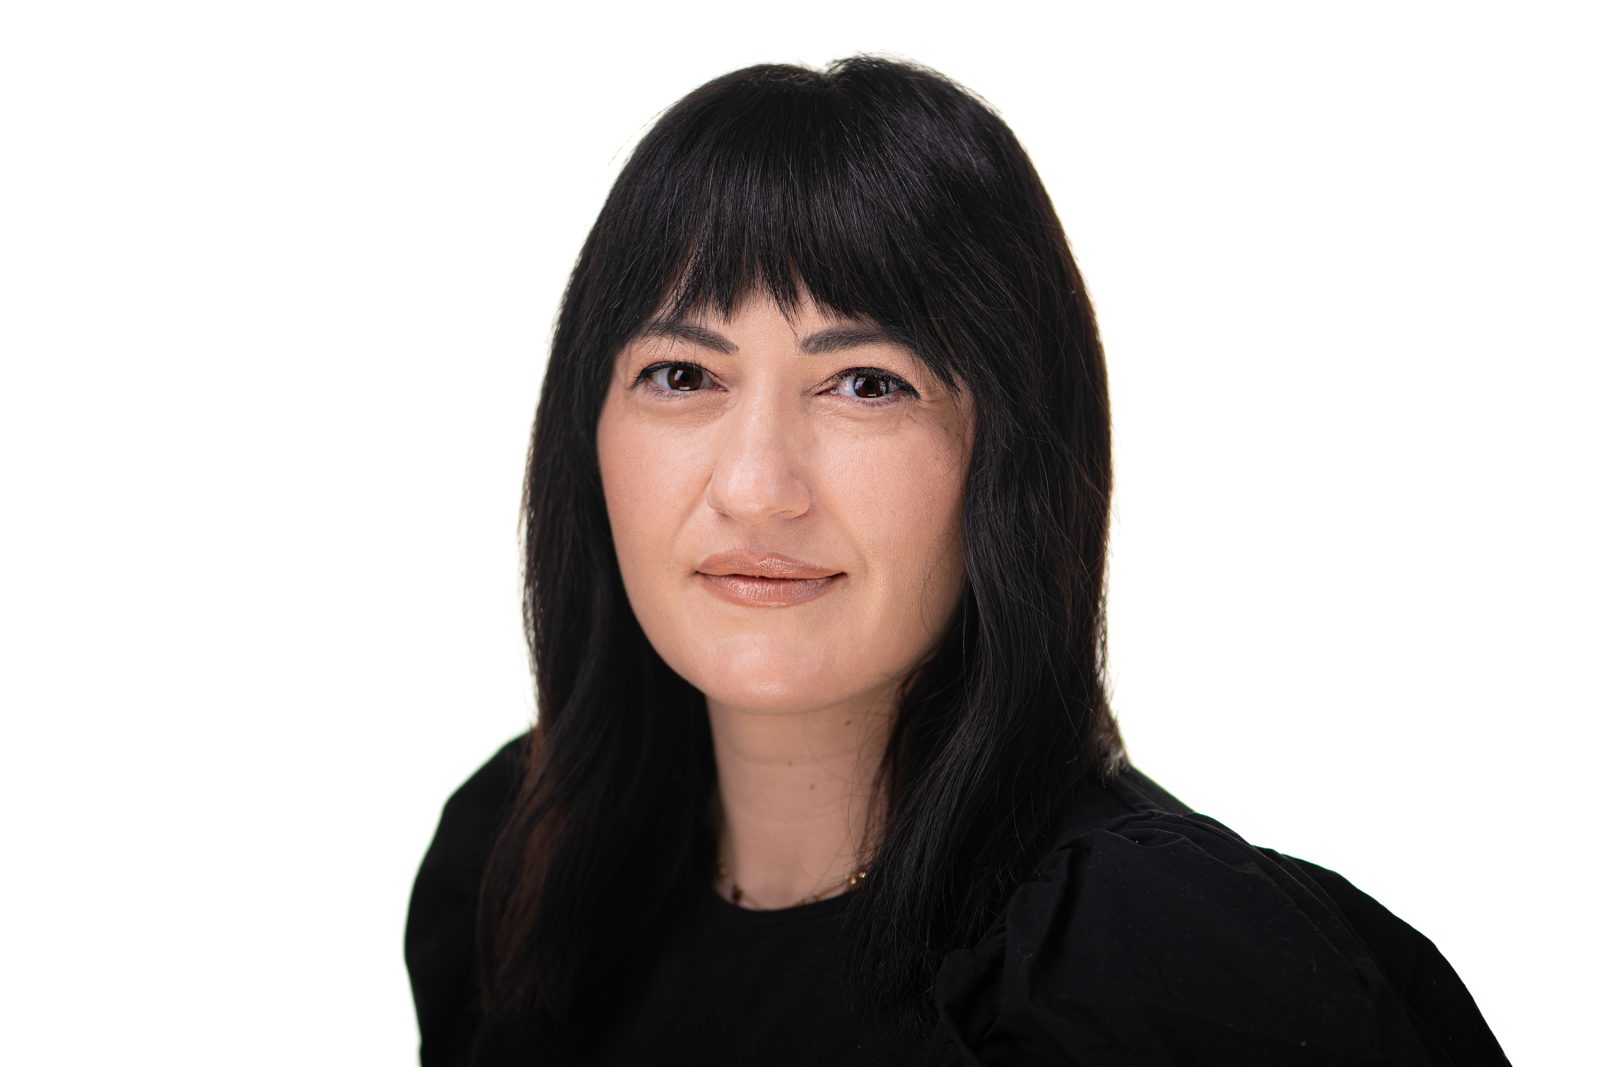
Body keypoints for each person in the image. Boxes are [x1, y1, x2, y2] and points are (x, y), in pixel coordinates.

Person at [405, 55, 1508, 1066]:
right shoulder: (521, 864)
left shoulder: (1145, 971)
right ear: (584, 431)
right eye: (683, 375)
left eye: (866, 383)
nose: (754, 484)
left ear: (1011, 450)